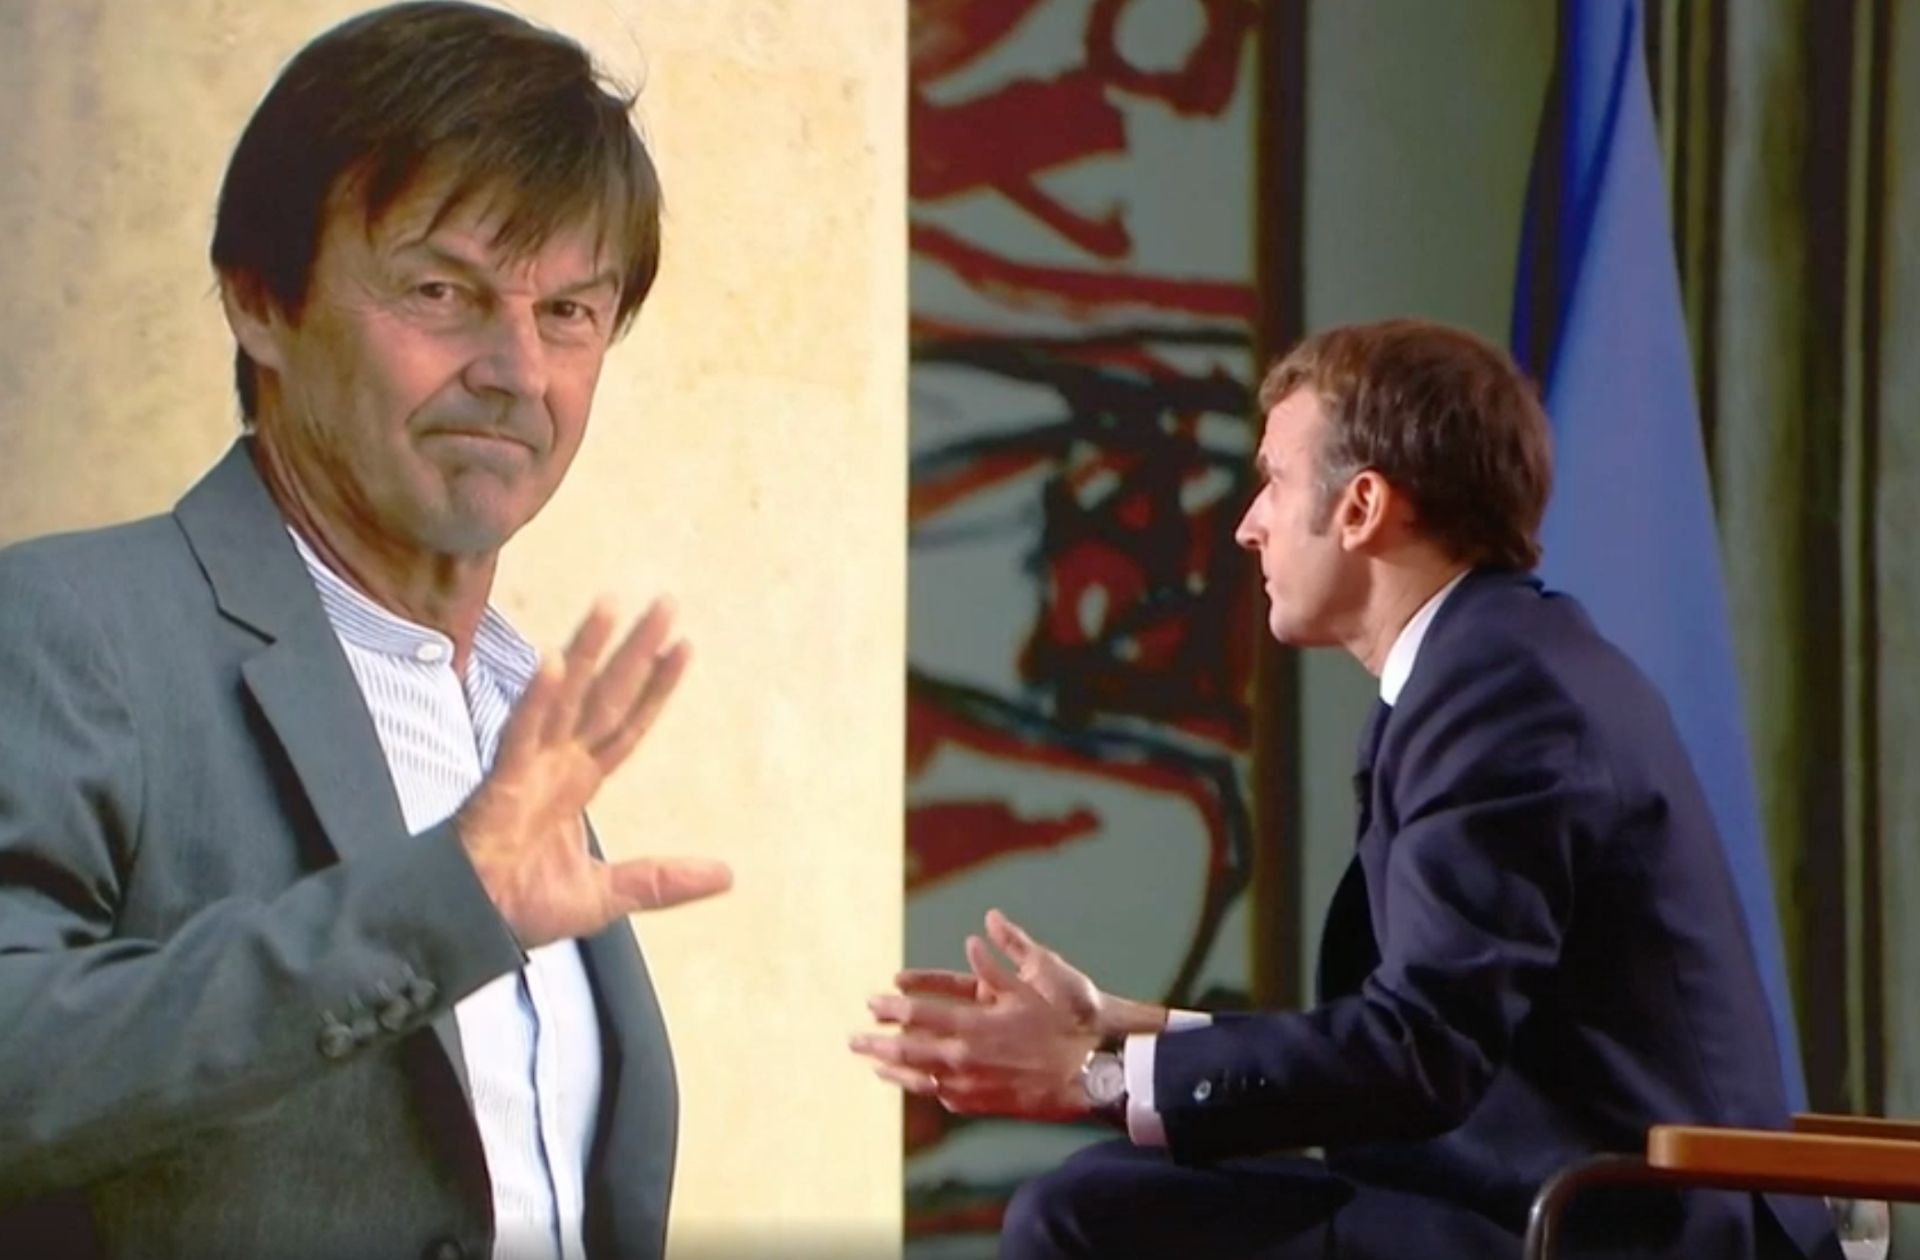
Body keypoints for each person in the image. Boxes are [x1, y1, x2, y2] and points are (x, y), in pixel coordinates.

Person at [853, 319, 1839, 1259]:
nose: (1248, 526)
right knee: (1103, 1199)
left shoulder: (1506, 696)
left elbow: (1421, 1050)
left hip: (1612, 1229)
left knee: (1086, 1218)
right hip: (1532, 1199)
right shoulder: (1487, 666)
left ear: (1362, 507)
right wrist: (1120, 1028)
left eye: (1274, 482)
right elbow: (1412, 1027)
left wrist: (1090, 1077)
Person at [0, 5, 733, 1258]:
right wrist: (438, 905)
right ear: (260, 302)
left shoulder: (516, 707)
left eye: (569, 311)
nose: (517, 370)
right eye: (443, 291)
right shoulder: (71, 629)